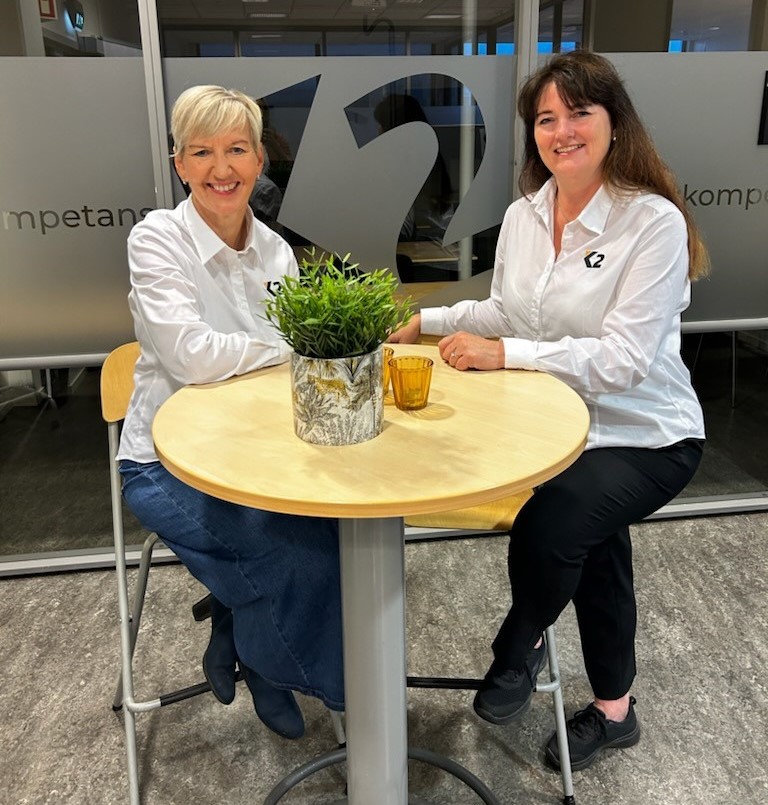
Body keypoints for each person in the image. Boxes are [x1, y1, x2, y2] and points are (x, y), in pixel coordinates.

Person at [389, 50, 707, 771]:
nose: (561, 131)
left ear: (615, 123)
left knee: (555, 522)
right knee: (597, 550)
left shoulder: (651, 222)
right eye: (545, 118)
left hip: (645, 432)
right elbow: (507, 311)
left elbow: (624, 360)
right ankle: (615, 711)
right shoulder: (525, 215)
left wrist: (506, 355)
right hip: (559, 430)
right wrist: (427, 321)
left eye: (579, 113)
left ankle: (518, 644)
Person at [117, 85, 344, 739]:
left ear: (259, 159)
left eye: (237, 149)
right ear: (179, 164)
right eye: (202, 152)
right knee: (299, 561)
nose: (222, 168)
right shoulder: (158, 239)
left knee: (343, 538)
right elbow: (191, 356)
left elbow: (290, 366)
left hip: (258, 454)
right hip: (164, 462)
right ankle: (300, 675)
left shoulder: (275, 251)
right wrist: (288, 348)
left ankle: (238, 623)